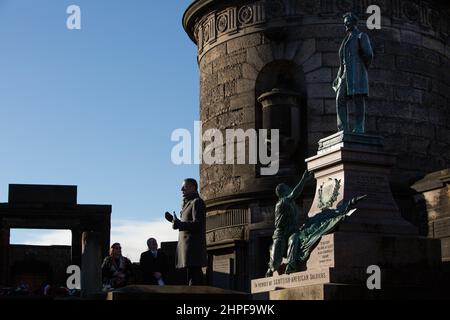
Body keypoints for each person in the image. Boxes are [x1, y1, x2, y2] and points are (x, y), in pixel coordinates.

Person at [266, 170, 313, 277]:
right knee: (275, 263)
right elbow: (294, 194)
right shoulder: (282, 202)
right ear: (283, 192)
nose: (290, 189)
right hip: (281, 233)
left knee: (294, 239)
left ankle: (291, 266)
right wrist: (303, 179)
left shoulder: (292, 204)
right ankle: (270, 267)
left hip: (291, 231)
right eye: (288, 188)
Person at [333, 12, 374, 133]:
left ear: (354, 23)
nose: (345, 25)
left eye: (348, 22)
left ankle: (359, 127)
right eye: (344, 23)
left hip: (357, 72)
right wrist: (338, 75)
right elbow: (343, 60)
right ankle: (343, 128)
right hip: (345, 73)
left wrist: (361, 69)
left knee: (358, 99)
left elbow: (369, 55)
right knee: (340, 98)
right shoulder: (346, 39)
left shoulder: (361, 36)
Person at [165, 178, 207, 285]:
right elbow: (186, 224)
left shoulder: (197, 202)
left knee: (195, 281)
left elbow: (198, 224)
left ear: (193, 187)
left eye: (185, 186)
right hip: (188, 251)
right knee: (191, 280)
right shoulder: (188, 204)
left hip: (193, 251)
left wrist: (179, 224)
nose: (181, 189)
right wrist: (173, 221)